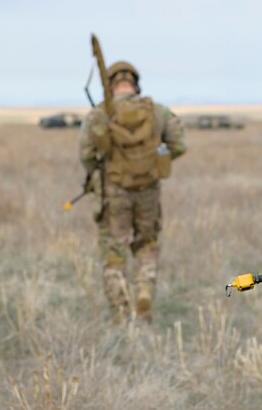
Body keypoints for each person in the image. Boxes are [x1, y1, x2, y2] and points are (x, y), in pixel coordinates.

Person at [79, 60, 187, 323]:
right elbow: (179, 145)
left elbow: (86, 155)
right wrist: (152, 163)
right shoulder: (157, 112)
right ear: (135, 83)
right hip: (148, 191)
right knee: (147, 245)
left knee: (114, 253)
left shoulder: (99, 114)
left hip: (113, 193)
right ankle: (144, 296)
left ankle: (120, 312)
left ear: (110, 83)